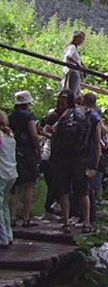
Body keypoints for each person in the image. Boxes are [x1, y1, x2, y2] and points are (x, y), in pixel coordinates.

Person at [50, 89, 92, 233]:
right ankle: (86, 222)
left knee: (64, 190)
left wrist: (53, 155)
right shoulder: (84, 114)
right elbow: (90, 136)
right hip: (80, 157)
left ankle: (66, 222)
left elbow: (54, 134)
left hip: (63, 157)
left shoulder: (63, 116)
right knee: (83, 191)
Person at [8, 91, 41, 228]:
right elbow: (33, 134)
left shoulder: (10, 117)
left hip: (13, 152)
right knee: (29, 184)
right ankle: (26, 218)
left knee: (14, 186)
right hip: (27, 152)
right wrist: (38, 148)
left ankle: (12, 217)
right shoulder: (29, 116)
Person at [81, 93, 103, 222]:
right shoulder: (94, 116)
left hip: (86, 155)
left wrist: (96, 161)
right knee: (87, 187)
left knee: (88, 187)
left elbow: (97, 140)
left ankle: (90, 217)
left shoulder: (93, 117)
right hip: (88, 155)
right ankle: (88, 217)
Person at [0, 110, 18, 248]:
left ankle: (2, 238)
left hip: (1, 174)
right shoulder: (10, 134)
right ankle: (8, 235)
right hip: (11, 173)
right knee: (4, 205)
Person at [62, 31, 86, 97]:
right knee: (72, 93)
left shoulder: (73, 48)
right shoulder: (72, 47)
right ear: (76, 37)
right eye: (80, 38)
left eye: (83, 39)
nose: (81, 40)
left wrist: (81, 64)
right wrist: (78, 65)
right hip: (72, 72)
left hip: (74, 72)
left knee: (76, 92)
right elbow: (68, 56)